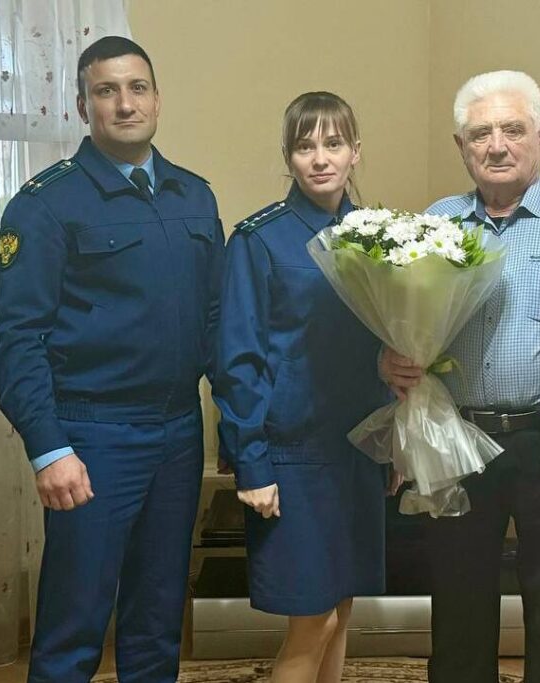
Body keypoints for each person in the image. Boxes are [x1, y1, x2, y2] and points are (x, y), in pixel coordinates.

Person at [0, 36, 224, 682]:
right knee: (74, 625)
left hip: (178, 434)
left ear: (157, 99)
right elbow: (18, 341)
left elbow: (216, 322)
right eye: (106, 91)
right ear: (82, 106)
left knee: (156, 621)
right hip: (92, 438)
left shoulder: (194, 197)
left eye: (137, 88)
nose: (125, 104)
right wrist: (49, 449)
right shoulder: (44, 205)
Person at [380, 70, 540, 683]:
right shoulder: (435, 223)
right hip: (456, 437)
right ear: (460, 146)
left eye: (513, 130)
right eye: (479, 134)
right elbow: (406, 326)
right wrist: (390, 359)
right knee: (457, 606)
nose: (496, 146)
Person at [212, 91, 395, 683]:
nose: (320, 158)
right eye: (304, 146)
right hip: (292, 454)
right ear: (288, 156)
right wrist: (252, 463)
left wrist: (392, 442)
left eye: (333, 144)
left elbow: (386, 347)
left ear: (355, 152)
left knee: (341, 610)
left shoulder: (380, 239)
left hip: (358, 448)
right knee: (311, 619)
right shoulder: (258, 239)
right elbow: (237, 361)